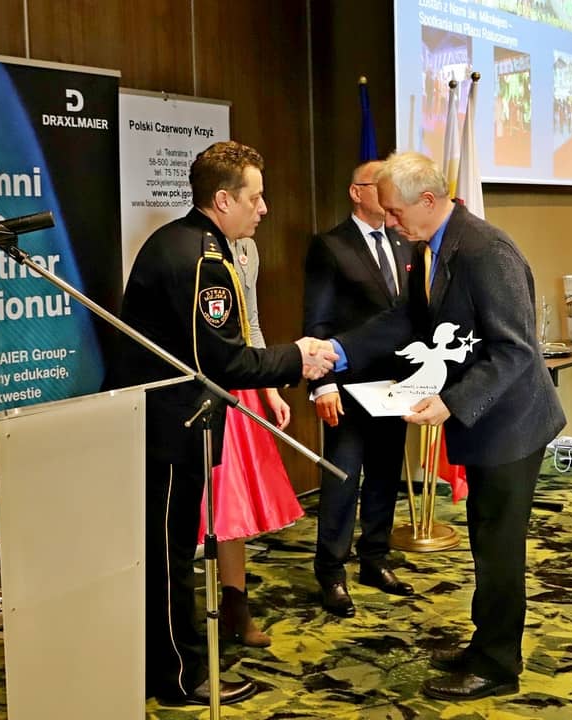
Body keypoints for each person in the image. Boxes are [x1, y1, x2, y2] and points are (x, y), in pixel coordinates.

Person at [323, 151, 566, 701]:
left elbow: (515, 349)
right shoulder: (427, 246)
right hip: (486, 421)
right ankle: (486, 645)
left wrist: (453, 402)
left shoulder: (486, 251)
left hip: (511, 424)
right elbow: (406, 320)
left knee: (498, 547)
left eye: (394, 211)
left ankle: (498, 666)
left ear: (428, 200)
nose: (389, 221)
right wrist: (339, 350)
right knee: (485, 539)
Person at [109, 140, 336, 707]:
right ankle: (178, 678)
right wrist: (297, 357)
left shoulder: (184, 240)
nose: (264, 208)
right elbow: (225, 361)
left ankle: (168, 666)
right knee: (169, 560)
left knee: (169, 553)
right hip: (169, 430)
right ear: (223, 200)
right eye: (255, 198)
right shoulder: (204, 259)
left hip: (168, 423)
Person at [303, 160, 415, 618]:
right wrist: (322, 384)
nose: (390, 195)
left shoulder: (404, 241)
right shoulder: (330, 246)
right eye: (380, 186)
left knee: (386, 476)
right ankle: (331, 572)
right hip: (346, 388)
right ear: (356, 192)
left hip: (395, 384)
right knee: (342, 480)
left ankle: (375, 559)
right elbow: (317, 322)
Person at [203, 235, 304, 647]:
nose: (262, 209)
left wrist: (270, 389)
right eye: (255, 202)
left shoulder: (249, 248)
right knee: (204, 502)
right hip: (204, 386)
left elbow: (253, 323)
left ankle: (235, 604)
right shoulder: (192, 249)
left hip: (241, 383)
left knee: (232, 506)